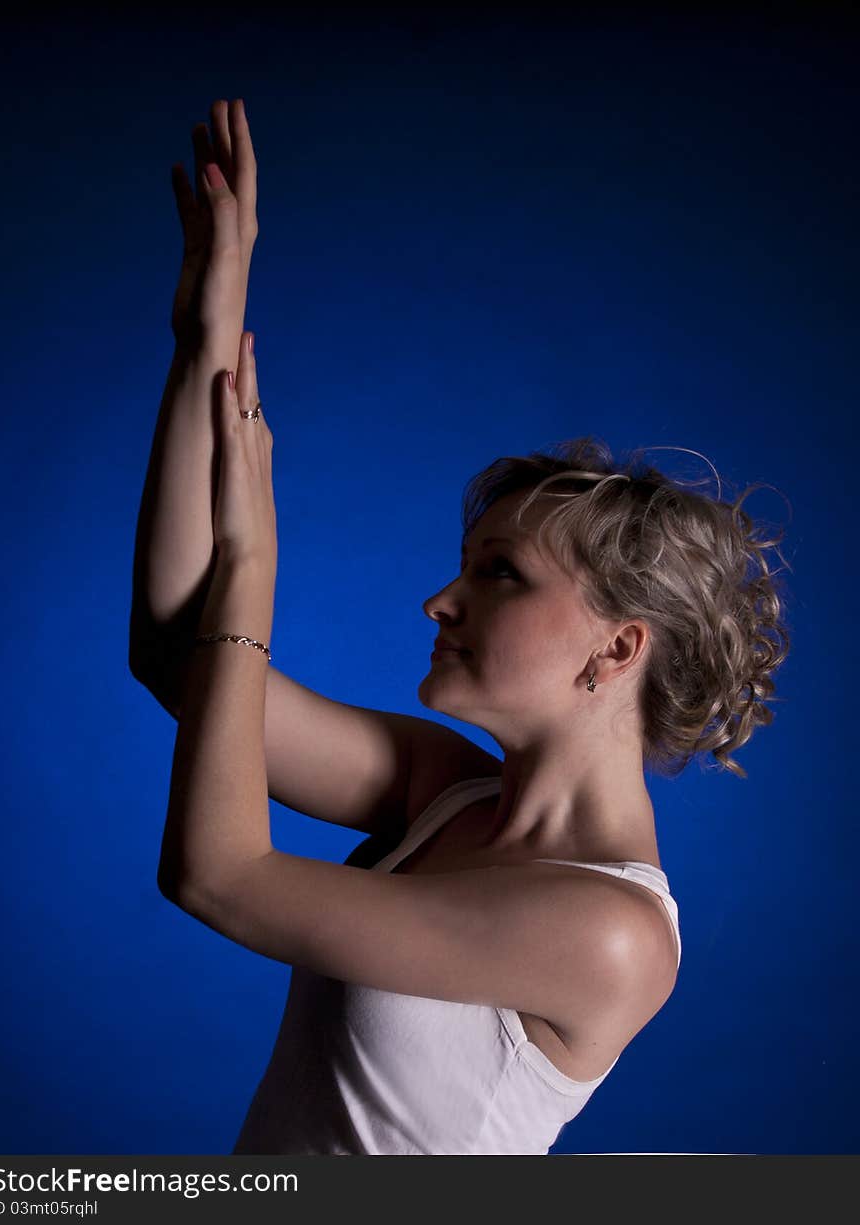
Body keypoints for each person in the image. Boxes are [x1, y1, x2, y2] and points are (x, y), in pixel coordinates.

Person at [129, 99, 792, 1155]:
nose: (441, 600)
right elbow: (176, 653)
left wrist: (254, 562)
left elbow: (220, 876)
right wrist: (203, 337)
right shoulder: (444, 791)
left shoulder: (612, 935)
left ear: (618, 647)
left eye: (498, 575)